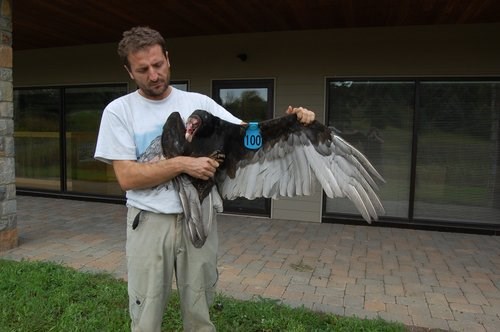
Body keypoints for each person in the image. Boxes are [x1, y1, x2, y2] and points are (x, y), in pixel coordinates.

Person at [94, 26, 315, 332]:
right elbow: (127, 177)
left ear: (168, 59)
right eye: (143, 69)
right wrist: (185, 163)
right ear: (129, 71)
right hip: (148, 223)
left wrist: (289, 122)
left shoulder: (200, 104)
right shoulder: (118, 111)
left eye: (158, 65)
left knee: (200, 314)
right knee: (145, 315)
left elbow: (248, 142)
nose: (154, 75)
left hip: (198, 218)